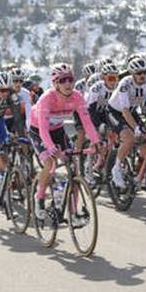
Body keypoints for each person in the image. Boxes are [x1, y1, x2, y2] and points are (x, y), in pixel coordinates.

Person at [30, 63, 101, 221]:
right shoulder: (46, 99)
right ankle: (39, 197)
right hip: (39, 131)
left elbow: (87, 122)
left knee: (74, 170)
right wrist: (52, 149)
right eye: (63, 80)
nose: (68, 83)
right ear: (55, 83)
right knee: (49, 163)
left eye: (70, 79)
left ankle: (73, 213)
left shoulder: (77, 97)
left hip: (58, 130)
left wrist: (96, 142)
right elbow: (42, 130)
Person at [108, 55, 146, 191]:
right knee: (129, 138)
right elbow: (124, 111)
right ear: (132, 74)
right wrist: (136, 128)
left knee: (145, 141)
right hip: (116, 112)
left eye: (144, 72)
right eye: (138, 73)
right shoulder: (125, 83)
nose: (142, 75)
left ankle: (144, 177)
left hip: (132, 111)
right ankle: (116, 169)